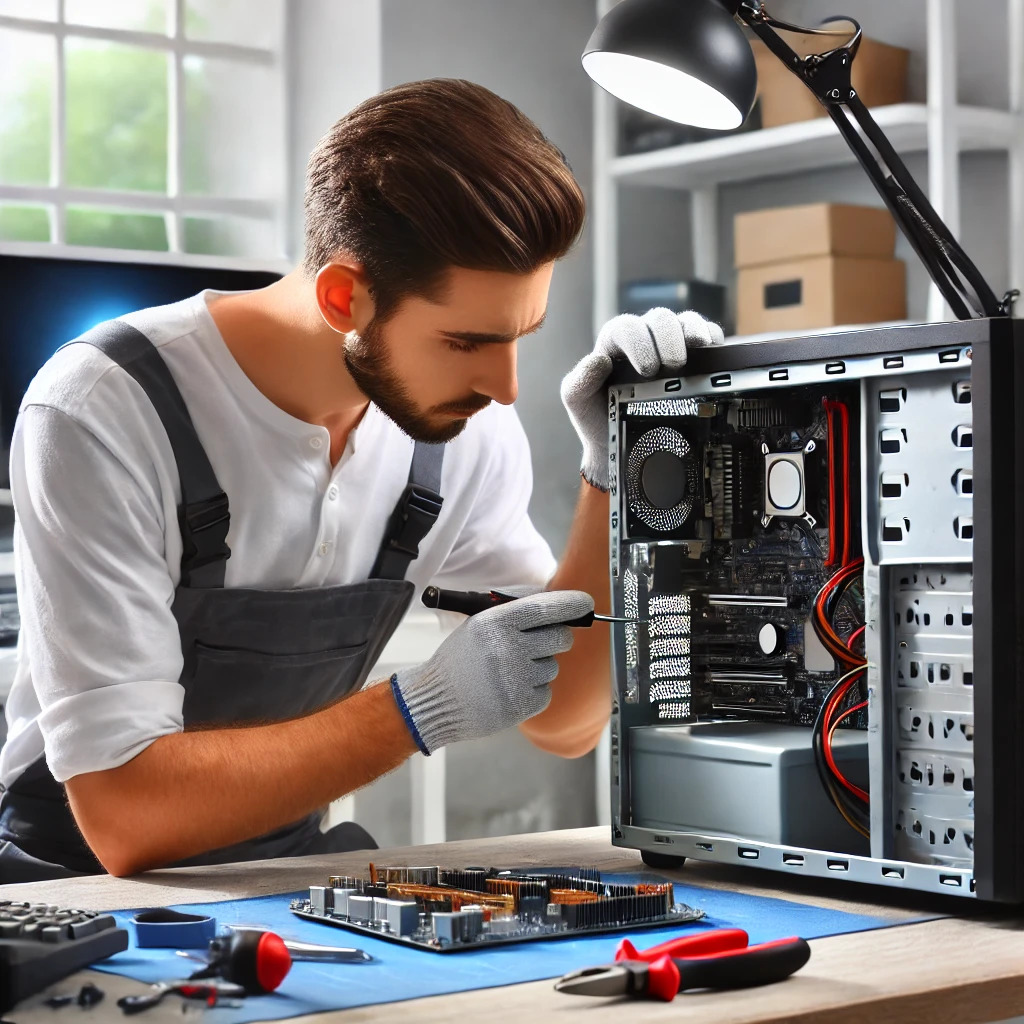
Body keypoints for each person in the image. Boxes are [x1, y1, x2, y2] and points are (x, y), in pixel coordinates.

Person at [0, 79, 722, 881]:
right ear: (345, 296)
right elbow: (125, 818)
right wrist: (417, 710)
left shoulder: (465, 434)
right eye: (466, 342)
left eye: (521, 335)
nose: (507, 387)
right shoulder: (102, 409)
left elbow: (562, 721)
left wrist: (613, 475)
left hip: (283, 869)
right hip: (73, 885)